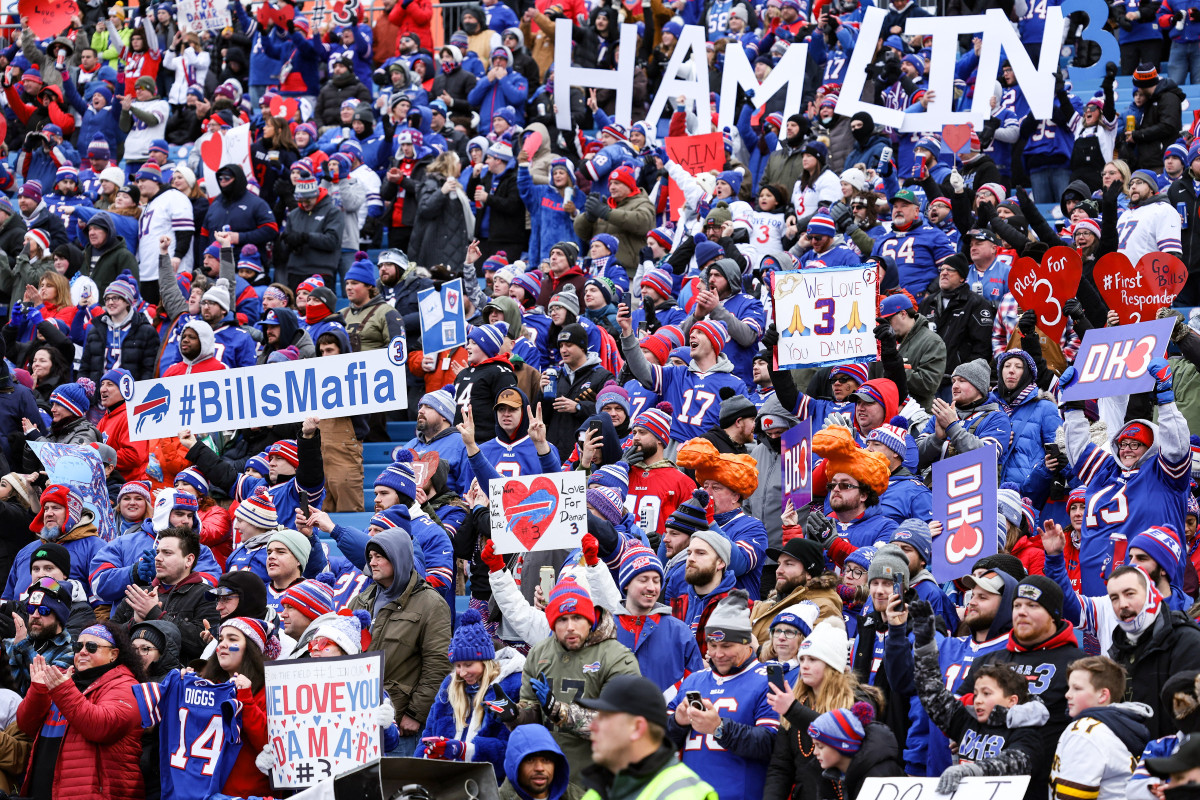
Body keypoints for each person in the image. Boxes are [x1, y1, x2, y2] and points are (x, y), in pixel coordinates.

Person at [499, 575, 640, 783]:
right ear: (552, 624)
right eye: (562, 619)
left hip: (597, 780)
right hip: (548, 779)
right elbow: (534, 716)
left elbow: (620, 726)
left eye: (577, 617)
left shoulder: (617, 657)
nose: (570, 627)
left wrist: (559, 711)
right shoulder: (538, 654)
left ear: (589, 618)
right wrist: (515, 715)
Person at [958, 575, 1088, 800]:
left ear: (1054, 615)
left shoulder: (1078, 664)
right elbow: (955, 708)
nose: (1021, 612)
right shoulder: (989, 659)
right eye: (1017, 605)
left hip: (1040, 787)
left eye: (1032, 605)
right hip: (980, 785)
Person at [666, 590, 778, 800]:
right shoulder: (693, 680)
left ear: (746, 643)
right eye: (713, 645)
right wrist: (677, 722)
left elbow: (771, 744)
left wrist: (719, 728)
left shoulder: (766, 681)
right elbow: (659, 744)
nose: (717, 654)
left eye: (727, 646)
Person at [349, 527, 452, 756]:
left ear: (398, 557)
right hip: (358, 720)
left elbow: (438, 664)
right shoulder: (360, 600)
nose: (373, 563)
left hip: (400, 723)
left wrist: (416, 713)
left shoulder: (431, 604)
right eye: (371, 557)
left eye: (380, 556)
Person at [16, 621, 145, 800]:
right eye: (78, 646)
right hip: (44, 790)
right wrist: (38, 690)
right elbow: (26, 725)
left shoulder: (126, 685)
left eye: (92, 647)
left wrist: (63, 690)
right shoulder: (64, 681)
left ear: (113, 655)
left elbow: (103, 727)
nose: (82, 651)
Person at [415, 609, 523, 782]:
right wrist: (422, 767)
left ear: (485, 661)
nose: (462, 672)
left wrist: (465, 750)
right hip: (446, 784)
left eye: (468, 664)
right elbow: (428, 734)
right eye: (457, 665)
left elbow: (510, 749)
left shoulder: (510, 686)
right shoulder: (450, 685)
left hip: (488, 785)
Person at [580, 674, 717, 800]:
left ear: (637, 728)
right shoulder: (599, 788)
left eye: (604, 718)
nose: (592, 726)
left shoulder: (685, 794)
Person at [109, 525, 220, 663]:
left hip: (180, 679)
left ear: (189, 560)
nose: (158, 558)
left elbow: (204, 646)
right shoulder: (138, 594)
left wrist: (155, 614)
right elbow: (108, 640)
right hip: (131, 677)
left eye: (167, 553)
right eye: (158, 552)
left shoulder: (206, 595)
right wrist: (134, 623)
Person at [1051, 656, 1153, 800]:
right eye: (1069, 688)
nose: (1068, 695)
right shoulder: (1115, 725)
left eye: (1077, 688)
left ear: (1102, 695)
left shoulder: (1085, 731)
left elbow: (1073, 797)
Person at [612, 545, 704, 695]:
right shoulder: (605, 629)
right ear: (626, 583)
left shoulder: (679, 632)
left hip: (665, 718)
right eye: (643, 580)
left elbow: (696, 686)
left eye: (656, 581)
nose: (651, 588)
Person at [198, 617, 272, 797]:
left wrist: (246, 699)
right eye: (221, 639)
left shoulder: (269, 690)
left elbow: (269, 744)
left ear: (251, 649)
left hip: (250, 795)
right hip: (205, 792)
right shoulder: (207, 685)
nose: (222, 644)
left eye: (232, 639)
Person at [749, 538, 841, 645]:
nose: (778, 570)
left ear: (808, 573)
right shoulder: (768, 604)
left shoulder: (823, 608)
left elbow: (807, 654)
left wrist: (758, 650)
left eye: (788, 564)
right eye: (779, 564)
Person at [5, 576, 74, 694]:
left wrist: (23, 645)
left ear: (59, 616)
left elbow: (46, 688)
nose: (35, 615)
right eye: (31, 608)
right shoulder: (11, 642)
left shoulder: (70, 652)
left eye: (43, 610)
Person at [500, 724, 584, 800]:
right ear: (513, 766)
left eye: (546, 760)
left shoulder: (580, 797)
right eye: (530, 760)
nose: (539, 768)